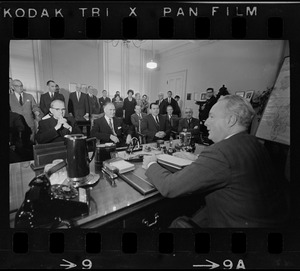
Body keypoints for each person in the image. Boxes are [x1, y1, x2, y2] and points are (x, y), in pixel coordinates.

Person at [143, 95, 290, 228]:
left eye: (212, 117)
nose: (206, 122)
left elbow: (170, 186)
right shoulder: (254, 142)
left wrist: (151, 163)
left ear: (230, 120)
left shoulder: (220, 152)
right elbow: (234, 166)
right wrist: (198, 159)